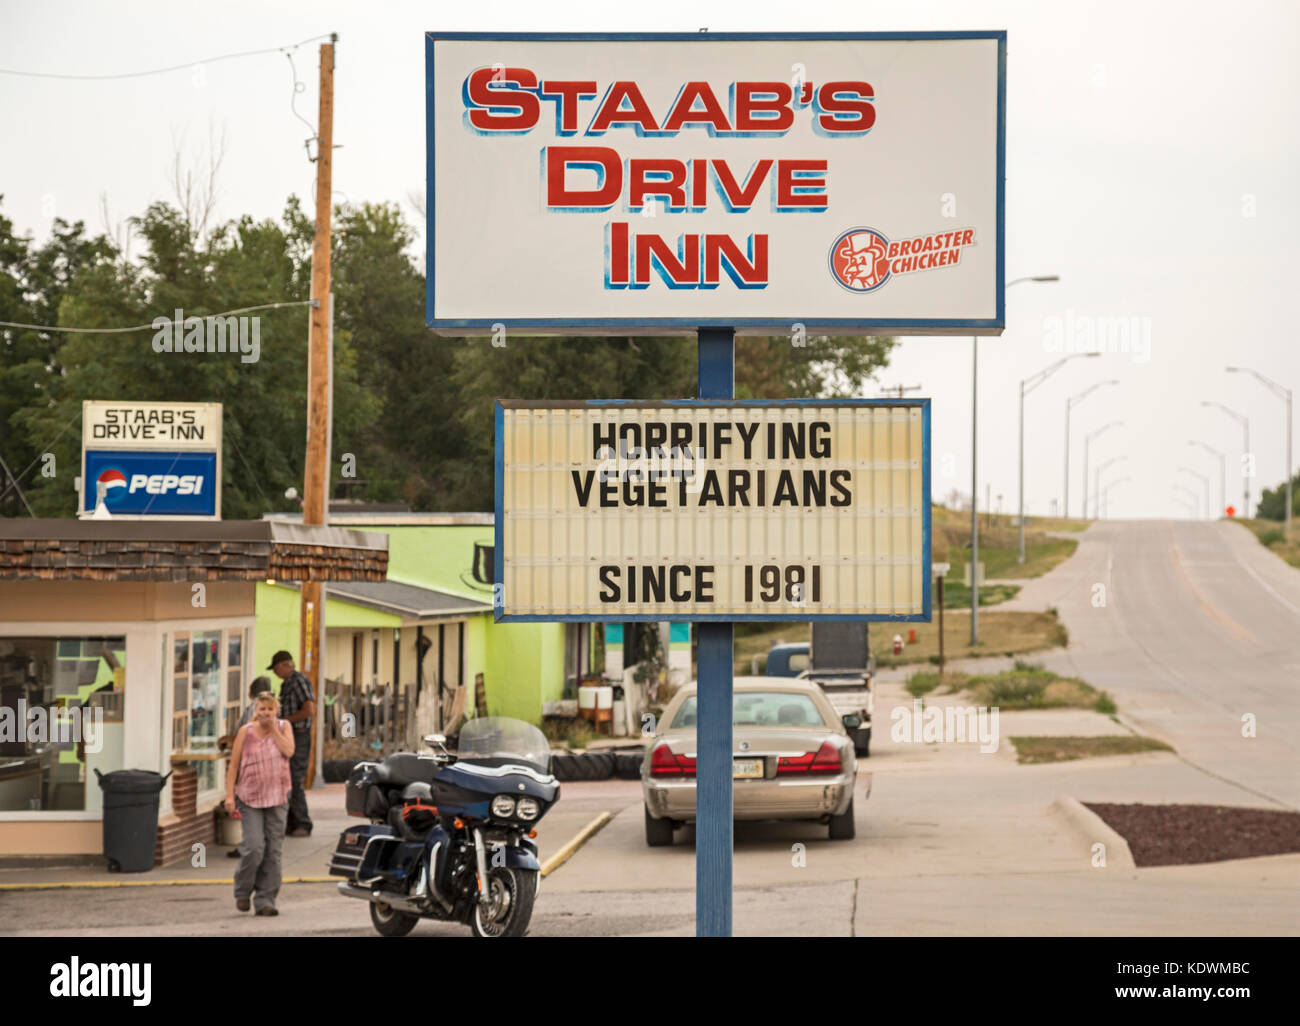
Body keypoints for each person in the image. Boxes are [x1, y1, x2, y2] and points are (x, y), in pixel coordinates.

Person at [224, 691, 293, 915]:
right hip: (250, 797)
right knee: (254, 847)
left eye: (270, 709)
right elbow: (233, 765)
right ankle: (243, 891)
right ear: (255, 710)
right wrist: (229, 796)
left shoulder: (284, 727)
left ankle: (265, 900)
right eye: (262, 709)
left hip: (277, 797)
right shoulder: (246, 732)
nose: (266, 713)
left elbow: (289, 751)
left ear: (276, 710)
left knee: (273, 851)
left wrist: (273, 728)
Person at [268, 650, 315, 837]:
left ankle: (302, 823)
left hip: (299, 735)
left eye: (276, 668)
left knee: (294, 778)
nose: (275, 672)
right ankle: (292, 822)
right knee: (287, 778)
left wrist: (285, 721)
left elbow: (308, 709)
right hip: (291, 734)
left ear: (285, 665)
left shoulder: (298, 681)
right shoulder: (287, 684)